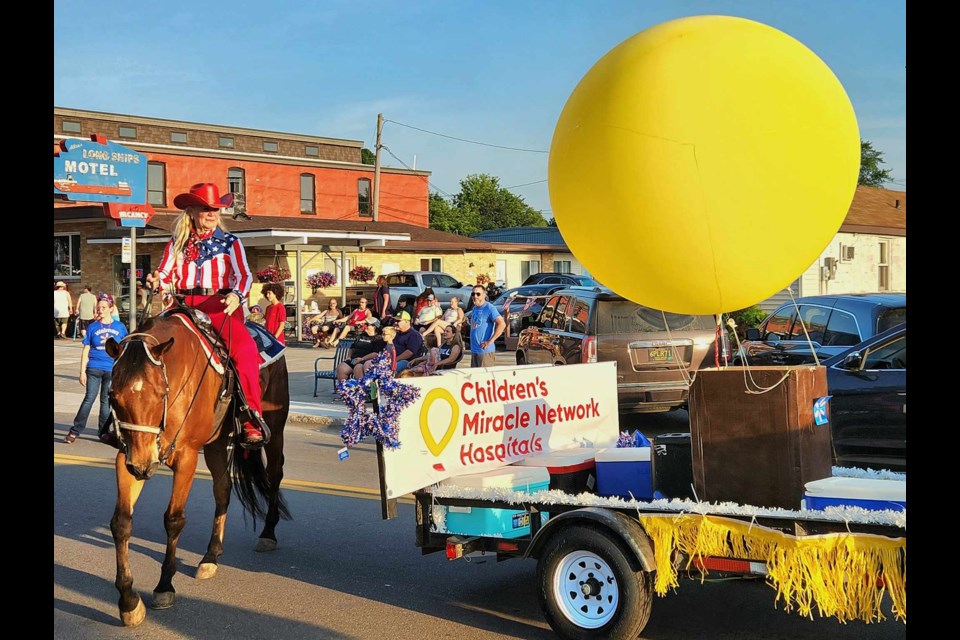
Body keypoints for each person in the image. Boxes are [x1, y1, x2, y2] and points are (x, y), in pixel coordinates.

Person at [145, 182, 268, 448]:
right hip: (181, 304)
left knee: (245, 352)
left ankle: (251, 418)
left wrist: (236, 295)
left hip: (218, 304)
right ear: (192, 211)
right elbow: (165, 273)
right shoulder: (177, 243)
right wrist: (157, 280)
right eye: (206, 208)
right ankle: (129, 417)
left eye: (216, 208)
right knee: (141, 346)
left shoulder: (231, 243)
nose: (212, 213)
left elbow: (245, 275)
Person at [65, 293, 129, 444]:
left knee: (106, 401)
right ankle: (75, 430)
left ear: (111, 308)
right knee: (89, 398)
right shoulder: (93, 327)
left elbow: (125, 348)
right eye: (98, 307)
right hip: (94, 367)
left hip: (111, 369)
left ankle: (103, 432)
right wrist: (81, 371)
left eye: (103, 307)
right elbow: (86, 349)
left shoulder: (119, 327)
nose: (100, 310)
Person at [468, 285, 505, 368]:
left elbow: (502, 324)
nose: (475, 296)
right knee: (475, 379)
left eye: (478, 294)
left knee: (484, 378)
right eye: (473, 294)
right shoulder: (475, 308)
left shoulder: (489, 308)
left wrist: (490, 341)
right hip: (474, 350)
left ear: (484, 295)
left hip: (485, 351)